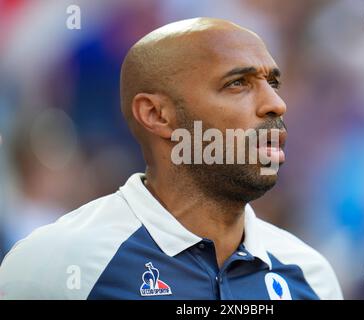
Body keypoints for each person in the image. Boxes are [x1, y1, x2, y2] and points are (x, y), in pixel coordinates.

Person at [0, 17, 342, 300]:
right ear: (156, 115)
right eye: (238, 83)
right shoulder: (56, 265)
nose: (276, 104)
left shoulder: (311, 276)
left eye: (273, 83)